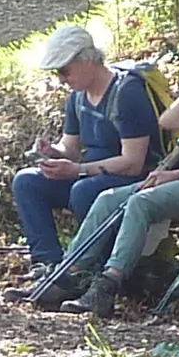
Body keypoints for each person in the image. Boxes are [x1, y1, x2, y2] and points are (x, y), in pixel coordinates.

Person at [31, 90, 179, 317]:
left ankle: (108, 285)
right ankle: (68, 275)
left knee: (140, 202)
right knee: (107, 198)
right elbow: (167, 121)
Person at [9, 25, 158, 274]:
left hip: (130, 178)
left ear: (87, 60)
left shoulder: (127, 93)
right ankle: (47, 262)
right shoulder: (77, 98)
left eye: (64, 71)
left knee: (83, 190)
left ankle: (90, 267)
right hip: (89, 174)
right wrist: (53, 153)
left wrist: (77, 170)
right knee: (26, 181)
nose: (61, 79)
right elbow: (71, 148)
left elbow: (134, 161)